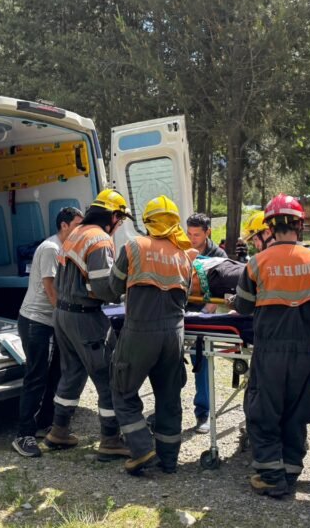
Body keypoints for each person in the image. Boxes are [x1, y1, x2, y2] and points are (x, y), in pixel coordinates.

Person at [235, 194, 310, 498]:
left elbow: (244, 307)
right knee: (298, 408)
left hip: (271, 348)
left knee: (265, 408)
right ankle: (291, 469)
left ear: (270, 226)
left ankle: (271, 475)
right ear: (300, 225)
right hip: (307, 350)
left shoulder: (258, 262)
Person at [44, 189, 132, 460]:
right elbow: (103, 287)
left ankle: (58, 431)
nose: (120, 225)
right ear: (113, 216)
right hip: (85, 317)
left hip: (63, 313)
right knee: (109, 376)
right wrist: (125, 287)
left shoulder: (75, 235)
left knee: (72, 374)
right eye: (120, 219)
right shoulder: (100, 239)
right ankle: (110, 439)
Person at [109, 195, 192, 475]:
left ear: (147, 223)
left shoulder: (134, 247)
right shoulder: (183, 255)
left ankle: (143, 450)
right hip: (174, 335)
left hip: (140, 332)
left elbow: (112, 286)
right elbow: (188, 295)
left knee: (123, 391)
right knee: (169, 397)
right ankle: (169, 460)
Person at [12, 206, 84, 457]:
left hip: (52, 322)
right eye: (77, 225)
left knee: (55, 374)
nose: (80, 230)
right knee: (36, 377)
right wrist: (68, 319)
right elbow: (51, 289)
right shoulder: (51, 248)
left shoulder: (66, 249)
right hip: (36, 321)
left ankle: (45, 424)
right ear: (64, 226)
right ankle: (24, 435)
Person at [185, 213, 228, 433]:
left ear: (208, 233)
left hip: (203, 312)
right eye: (189, 233)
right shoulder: (181, 248)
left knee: (201, 361)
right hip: (181, 309)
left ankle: (203, 413)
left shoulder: (218, 255)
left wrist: (202, 314)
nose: (192, 239)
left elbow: (218, 293)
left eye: (197, 235)